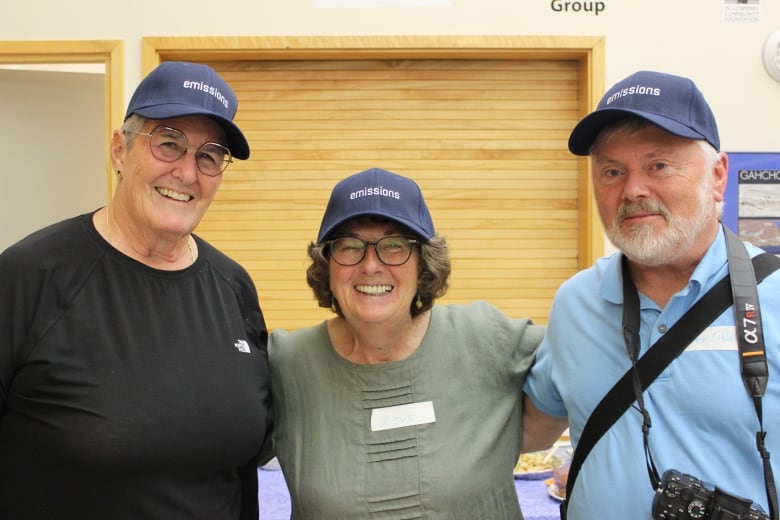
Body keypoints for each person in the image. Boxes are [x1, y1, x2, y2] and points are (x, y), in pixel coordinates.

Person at [0, 61, 271, 519]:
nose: (187, 172)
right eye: (169, 143)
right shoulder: (29, 277)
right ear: (119, 150)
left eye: (208, 155)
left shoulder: (233, 287)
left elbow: (241, 474)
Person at [522, 70, 780, 518]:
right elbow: (532, 428)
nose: (633, 190)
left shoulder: (773, 295)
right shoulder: (576, 303)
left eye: (658, 165)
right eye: (612, 171)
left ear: (718, 175)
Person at [264, 167, 546, 519]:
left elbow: (582, 376)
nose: (371, 266)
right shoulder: (288, 363)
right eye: (350, 246)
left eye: (394, 246)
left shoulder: (486, 338)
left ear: (423, 263)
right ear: (327, 265)